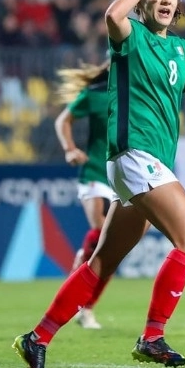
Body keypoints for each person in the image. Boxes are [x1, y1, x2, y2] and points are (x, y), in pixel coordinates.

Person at [14, 0, 185, 368]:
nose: (166, 0)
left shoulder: (182, 49)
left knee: (102, 263)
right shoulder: (129, 34)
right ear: (143, 2)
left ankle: (37, 337)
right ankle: (152, 335)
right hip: (136, 155)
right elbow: (111, 13)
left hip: (144, 163)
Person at [53, 59, 117, 329]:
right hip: (94, 170)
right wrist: (69, 148)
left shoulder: (138, 94)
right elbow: (63, 120)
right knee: (100, 227)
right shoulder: (94, 95)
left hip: (124, 173)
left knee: (112, 245)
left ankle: (86, 307)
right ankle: (81, 282)